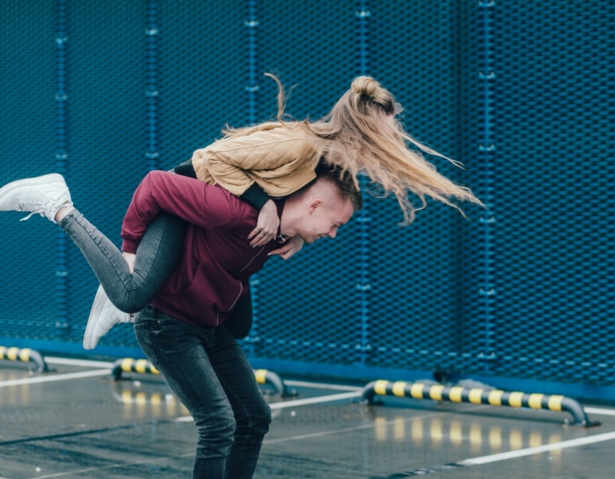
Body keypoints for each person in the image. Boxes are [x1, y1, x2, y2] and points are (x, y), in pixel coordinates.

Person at [1, 74, 481, 350]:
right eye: (389, 131)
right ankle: (61, 208)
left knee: (227, 320)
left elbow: (289, 199)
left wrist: (289, 230)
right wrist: (260, 205)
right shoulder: (302, 145)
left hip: (210, 209)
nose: (392, 141)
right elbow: (210, 160)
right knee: (133, 289)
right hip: (185, 193)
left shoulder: (323, 163)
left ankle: (123, 287)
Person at [0, 165, 361, 477]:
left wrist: (295, 235)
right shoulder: (237, 212)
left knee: (254, 417)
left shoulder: (278, 231)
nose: (332, 234)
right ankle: (60, 207)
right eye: (334, 225)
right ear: (314, 205)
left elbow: (314, 191)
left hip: (209, 325)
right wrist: (128, 257)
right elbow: (156, 183)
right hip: (167, 323)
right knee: (219, 423)